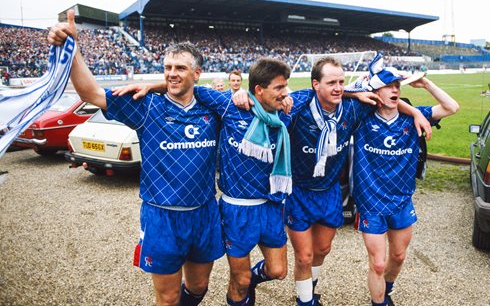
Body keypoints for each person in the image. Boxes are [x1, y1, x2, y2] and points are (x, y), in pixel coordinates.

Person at [47, 10, 224, 306]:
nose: (171, 73)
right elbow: (91, 93)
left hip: (204, 213)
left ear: (196, 74)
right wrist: (73, 49)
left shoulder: (214, 109)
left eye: (180, 67)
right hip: (162, 216)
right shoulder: (146, 106)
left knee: (199, 287)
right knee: (167, 298)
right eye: (167, 67)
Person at [232, 56, 431, 306]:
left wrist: (413, 111)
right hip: (299, 192)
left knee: (322, 250)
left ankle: (309, 288)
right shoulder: (299, 106)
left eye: (341, 82)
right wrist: (243, 95)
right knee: (304, 256)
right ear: (316, 84)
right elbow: (269, 105)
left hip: (330, 192)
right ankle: (305, 301)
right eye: (331, 83)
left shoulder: (352, 108)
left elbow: (386, 102)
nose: (338, 88)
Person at [121, 58, 300, 306]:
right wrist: (152, 86)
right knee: (241, 280)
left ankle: (253, 281)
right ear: (259, 89)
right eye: (280, 87)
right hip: (235, 207)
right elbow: (188, 87)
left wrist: (354, 94)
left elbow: (322, 91)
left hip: (271, 204)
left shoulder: (286, 111)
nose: (285, 93)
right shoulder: (230, 106)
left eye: (286, 87)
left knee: (278, 271)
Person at [351, 61, 458, 306]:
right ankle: (378, 302)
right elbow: (336, 93)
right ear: (375, 92)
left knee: (398, 257)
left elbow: (451, 107)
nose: (394, 90)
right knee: (378, 262)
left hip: (401, 201)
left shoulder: (413, 119)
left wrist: (426, 84)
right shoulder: (361, 118)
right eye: (388, 86)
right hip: (371, 203)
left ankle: (385, 289)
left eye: (397, 85)